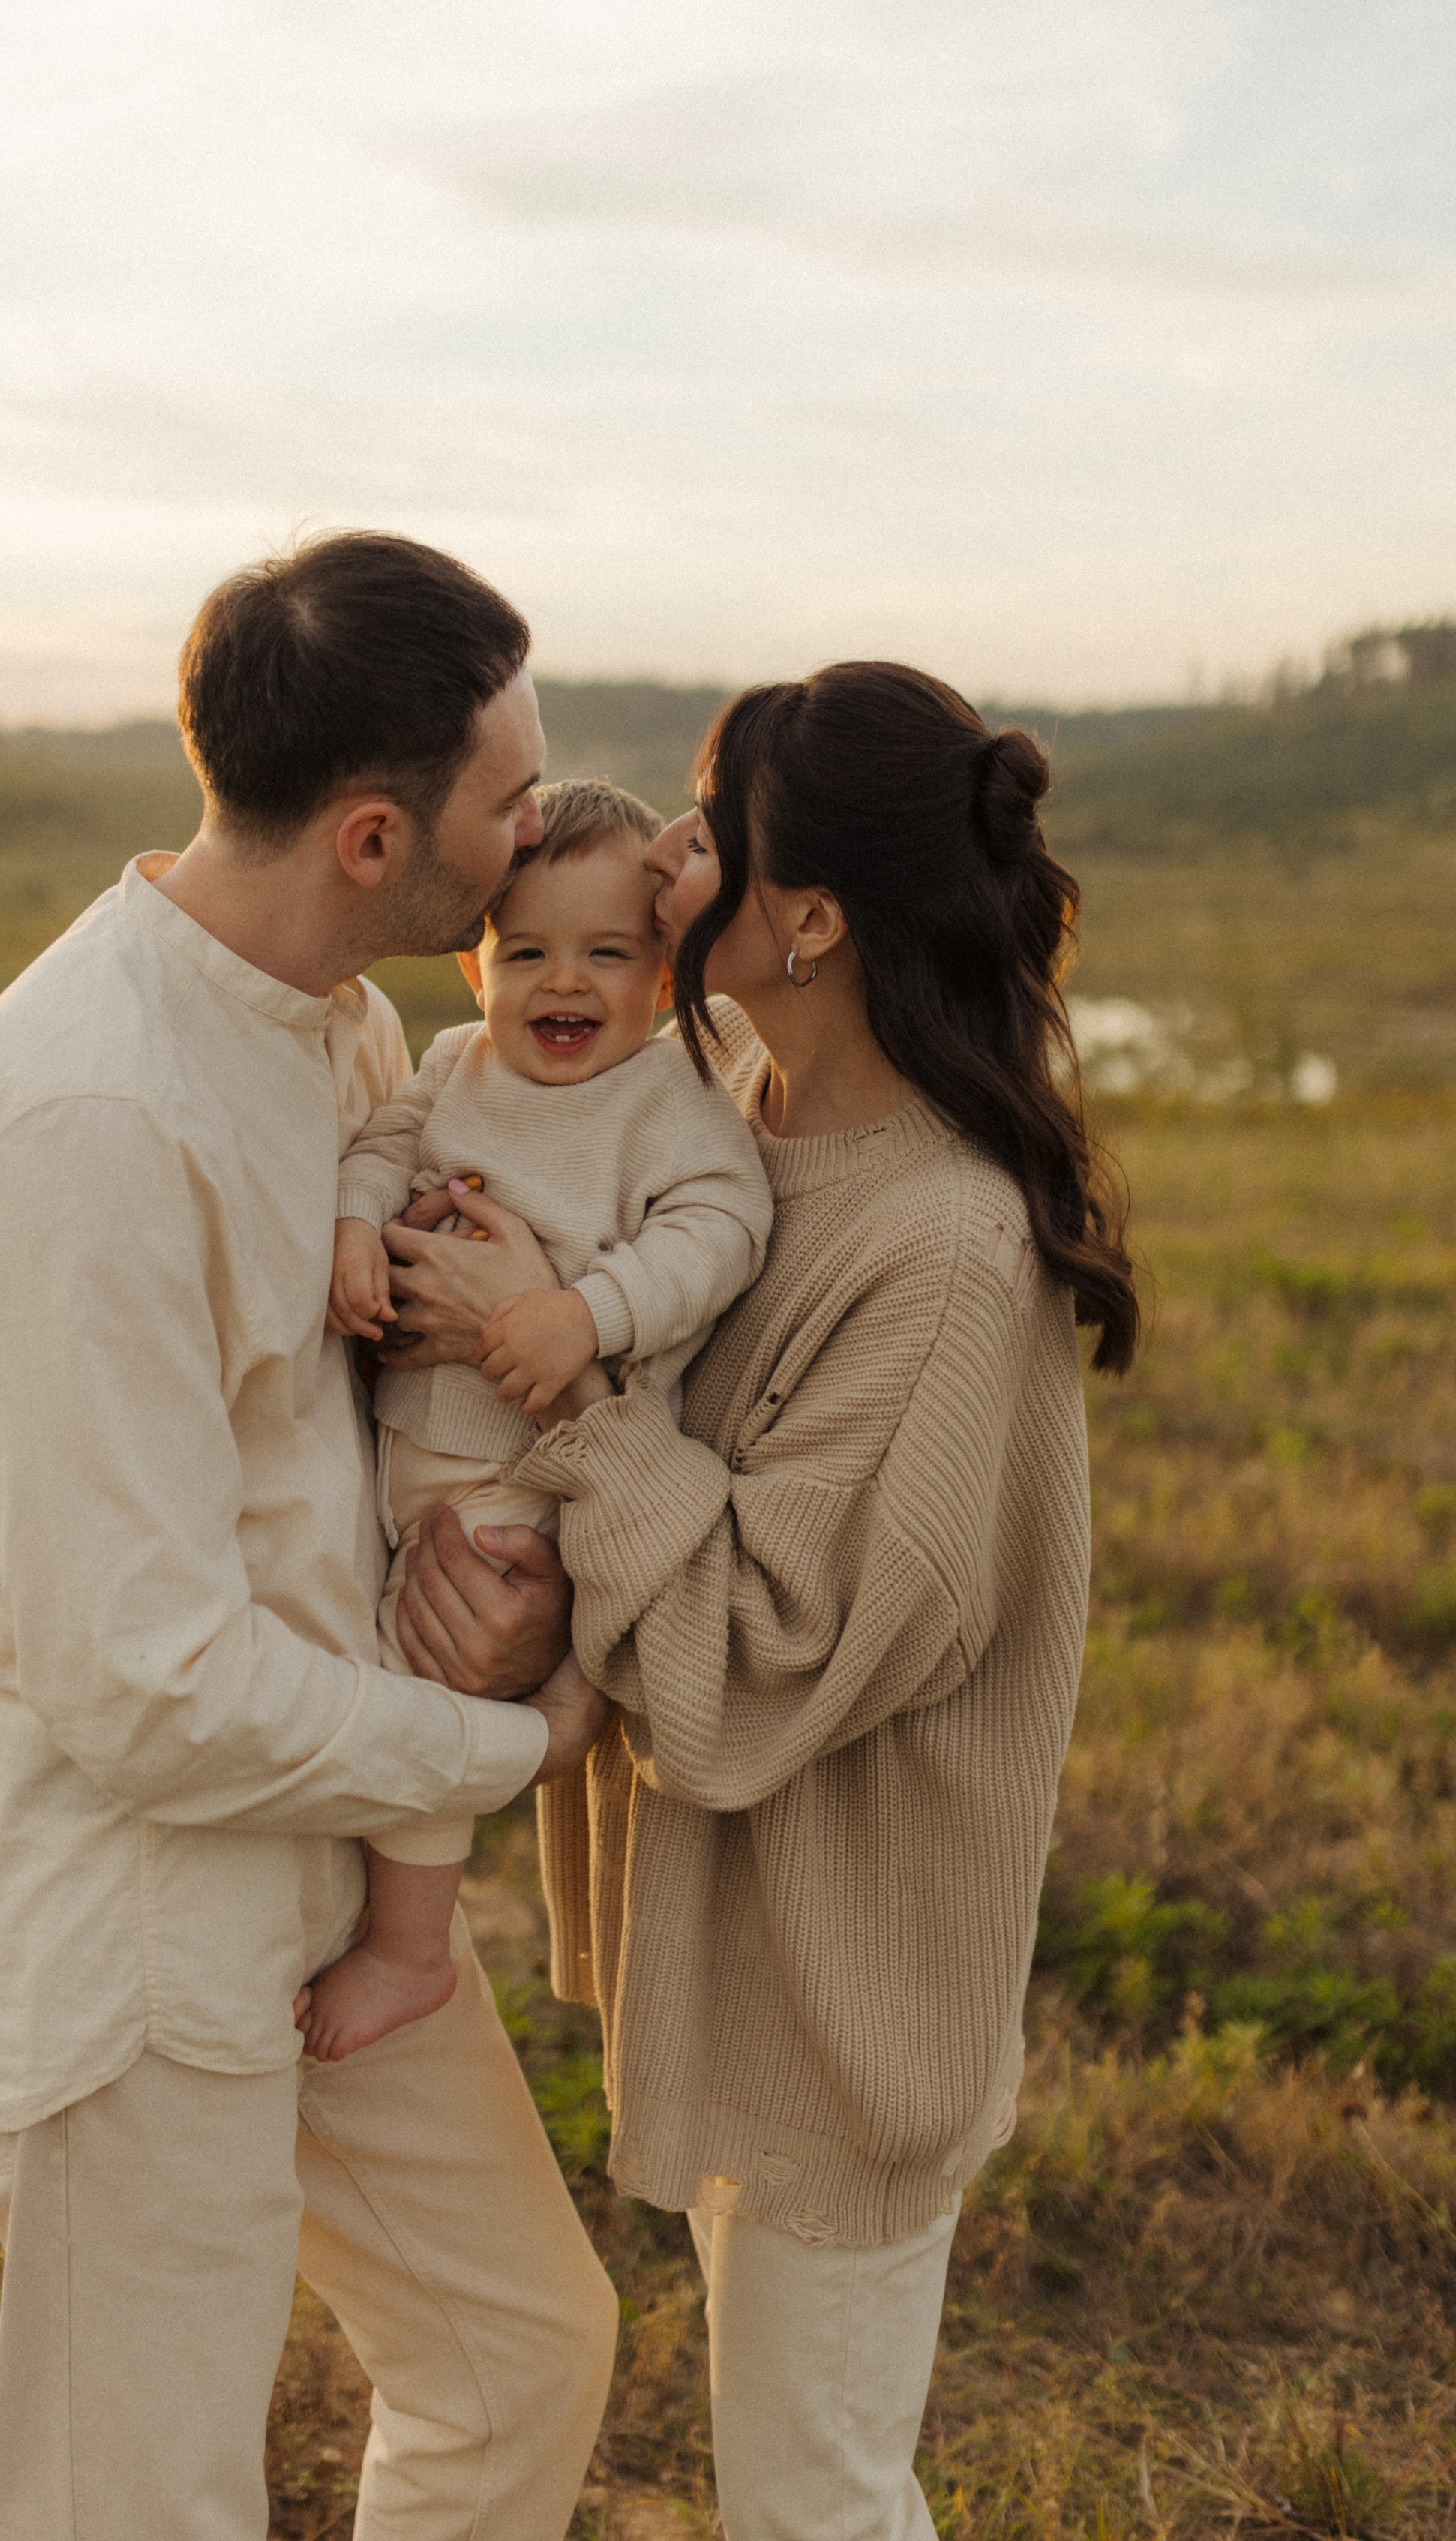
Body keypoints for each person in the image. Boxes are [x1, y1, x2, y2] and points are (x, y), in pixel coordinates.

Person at [0, 531, 616, 2541]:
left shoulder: (340, 1030)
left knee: (520, 2351)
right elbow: (139, 1688)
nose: (537, 826)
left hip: (327, 1869)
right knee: (138, 2504)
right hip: (140, 1935)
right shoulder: (83, 1117)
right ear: (378, 839)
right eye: (507, 799)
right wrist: (512, 1744)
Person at [380, 661, 1139, 2541]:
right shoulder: (736, 1108)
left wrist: (548, 1375)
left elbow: (769, 1656)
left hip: (848, 1979)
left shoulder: (944, 1248)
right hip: (735, 1943)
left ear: (803, 919)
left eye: (713, 826)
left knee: (814, 2497)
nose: (670, 856)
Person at [305, 776, 773, 2062]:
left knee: (435, 1676)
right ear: (475, 965)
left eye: (607, 954)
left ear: (666, 971)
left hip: (537, 1467)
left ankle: (409, 1948)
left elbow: (723, 1228)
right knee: (386, 1651)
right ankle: (548, 1712)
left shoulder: (671, 1099)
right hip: (408, 1453)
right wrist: (355, 1219)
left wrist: (591, 1312)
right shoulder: (453, 1066)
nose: (565, 984)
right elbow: (384, 1140)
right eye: (530, 953)